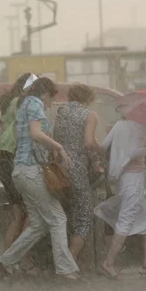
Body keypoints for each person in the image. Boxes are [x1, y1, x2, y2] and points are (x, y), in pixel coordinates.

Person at [0, 78, 81, 282]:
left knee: (38, 224)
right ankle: (66, 270)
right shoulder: (35, 103)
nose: (50, 103)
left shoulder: (23, 104)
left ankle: (6, 260)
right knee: (58, 218)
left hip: (20, 171)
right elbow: (35, 133)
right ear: (46, 94)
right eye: (51, 98)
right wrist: (58, 147)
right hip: (31, 170)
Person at [95, 109, 146, 279]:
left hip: (122, 178)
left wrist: (115, 159)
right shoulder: (141, 127)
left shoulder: (119, 124)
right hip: (134, 179)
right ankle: (108, 263)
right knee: (126, 220)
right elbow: (137, 152)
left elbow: (103, 146)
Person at [0, 73, 39, 274]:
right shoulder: (21, 103)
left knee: (17, 215)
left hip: (5, 159)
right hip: (14, 158)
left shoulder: (8, 102)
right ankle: (22, 259)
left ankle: (8, 259)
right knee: (29, 214)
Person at [53, 83, 101, 263]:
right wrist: (101, 150)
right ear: (88, 98)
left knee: (67, 214)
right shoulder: (90, 114)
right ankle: (70, 262)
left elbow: (56, 138)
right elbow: (89, 142)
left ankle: (62, 259)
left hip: (61, 169)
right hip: (78, 168)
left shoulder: (61, 113)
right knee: (84, 217)